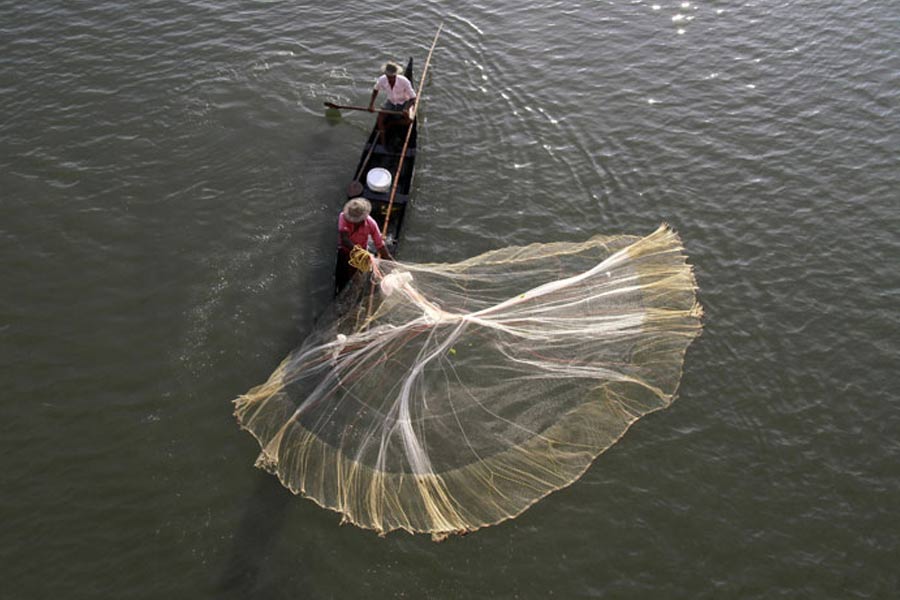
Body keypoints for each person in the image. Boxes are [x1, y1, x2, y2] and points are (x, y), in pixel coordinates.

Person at [335, 197, 393, 293]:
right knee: (341, 276)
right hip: (345, 252)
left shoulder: (371, 224)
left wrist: (390, 260)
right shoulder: (343, 217)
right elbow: (344, 239)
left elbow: (380, 245)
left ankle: (355, 291)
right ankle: (339, 290)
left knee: (356, 276)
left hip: (360, 256)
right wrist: (360, 251)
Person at [367, 61, 416, 145]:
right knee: (380, 118)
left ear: (396, 74)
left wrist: (406, 108)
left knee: (409, 120)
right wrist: (371, 105)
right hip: (391, 101)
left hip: (404, 101)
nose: (390, 79)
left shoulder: (404, 81)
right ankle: (383, 142)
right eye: (388, 76)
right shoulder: (382, 79)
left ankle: (392, 123)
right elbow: (375, 90)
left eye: (392, 77)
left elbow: (413, 97)